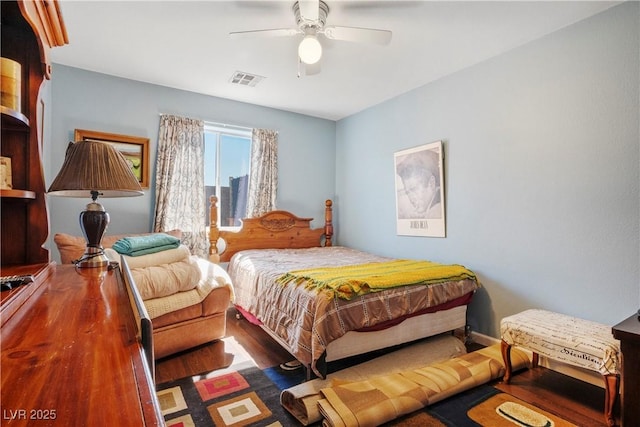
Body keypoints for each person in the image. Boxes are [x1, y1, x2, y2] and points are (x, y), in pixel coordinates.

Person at [395, 149, 442, 219]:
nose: (411, 198)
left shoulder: (436, 210)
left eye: (414, 189)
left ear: (431, 183)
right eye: (407, 192)